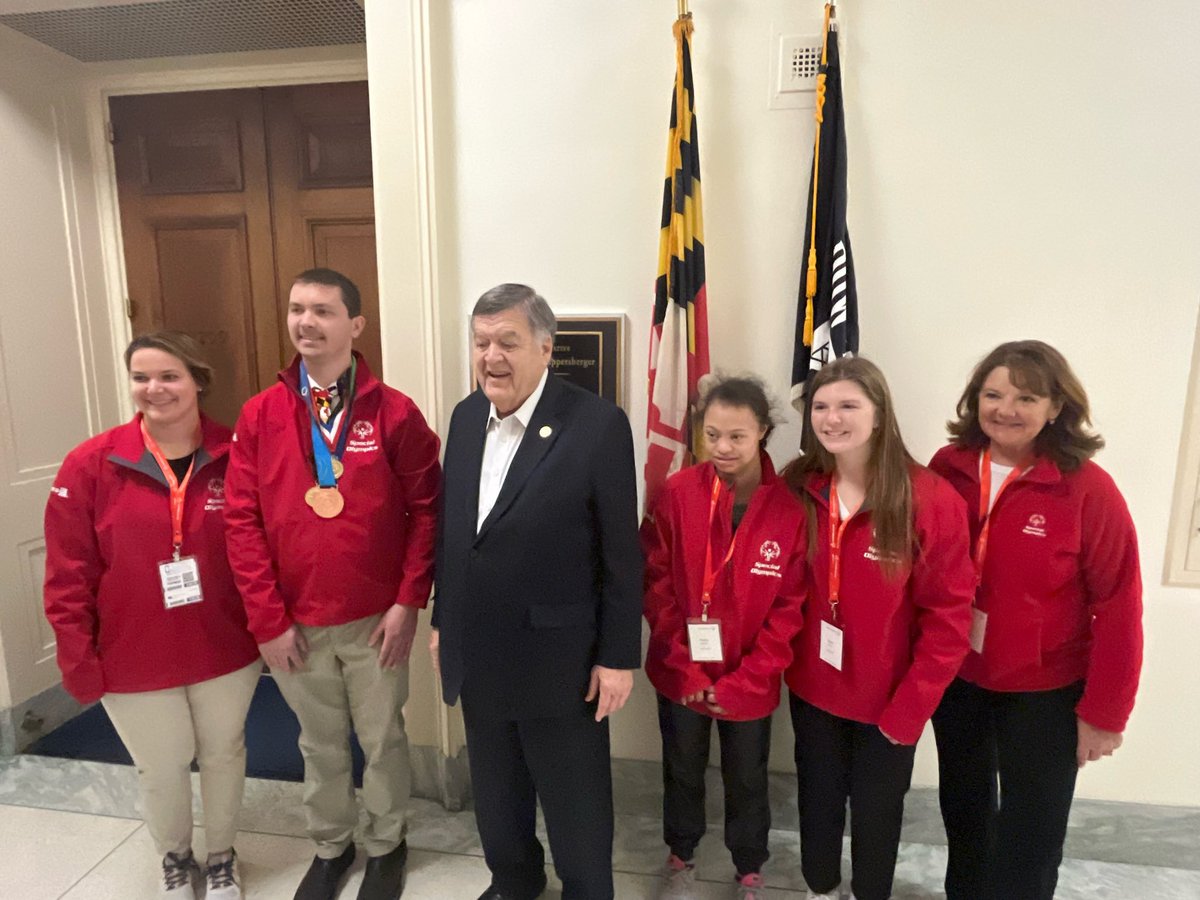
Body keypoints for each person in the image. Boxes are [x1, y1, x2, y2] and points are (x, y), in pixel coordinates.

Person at [224, 268, 441, 900]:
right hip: (293, 622)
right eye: (296, 309)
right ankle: (331, 846)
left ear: (356, 325)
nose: (305, 322)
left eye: (322, 310)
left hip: (377, 620)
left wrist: (408, 602)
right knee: (318, 745)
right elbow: (241, 521)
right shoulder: (261, 414)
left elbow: (427, 512)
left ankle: (387, 844)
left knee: (382, 739)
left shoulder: (395, 412)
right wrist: (266, 621)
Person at [431, 283, 642, 900]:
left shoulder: (598, 424)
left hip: (562, 662)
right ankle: (514, 882)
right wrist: (445, 621)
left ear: (546, 349)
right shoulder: (466, 418)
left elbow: (621, 556)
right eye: (481, 342)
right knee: (497, 798)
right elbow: (456, 535)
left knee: (576, 808)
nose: (491, 356)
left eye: (508, 342)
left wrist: (619, 655)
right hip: (479, 656)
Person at [44, 332, 261, 900]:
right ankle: (175, 857)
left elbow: (266, 545)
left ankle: (220, 858)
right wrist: (76, 654)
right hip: (133, 650)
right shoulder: (91, 464)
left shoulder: (238, 453)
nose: (154, 389)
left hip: (224, 645)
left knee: (223, 753)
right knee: (161, 768)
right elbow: (68, 572)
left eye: (169, 376)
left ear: (197, 381)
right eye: (142, 377)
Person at [928, 340, 1143, 900]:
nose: (1006, 409)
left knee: (1033, 828)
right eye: (993, 394)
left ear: (1056, 407)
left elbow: (1119, 605)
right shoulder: (948, 468)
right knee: (965, 809)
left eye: (1027, 397)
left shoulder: (1087, 488)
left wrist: (1106, 712)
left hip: (1045, 690)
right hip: (958, 678)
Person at [782, 357, 975, 900]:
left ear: (880, 414)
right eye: (820, 406)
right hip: (813, 686)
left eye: (848, 405)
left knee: (877, 813)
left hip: (889, 699)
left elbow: (949, 618)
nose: (831, 418)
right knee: (816, 800)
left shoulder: (929, 499)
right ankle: (819, 889)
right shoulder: (799, 485)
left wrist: (911, 708)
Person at [642, 375, 808, 900]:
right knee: (682, 769)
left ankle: (750, 869)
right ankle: (681, 857)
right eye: (712, 435)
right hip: (682, 672)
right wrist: (685, 665)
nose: (722, 448)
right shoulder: (678, 492)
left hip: (750, 681)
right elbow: (657, 581)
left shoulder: (788, 509)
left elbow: (790, 608)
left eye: (737, 436)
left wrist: (747, 679)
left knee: (747, 778)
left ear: (763, 431)